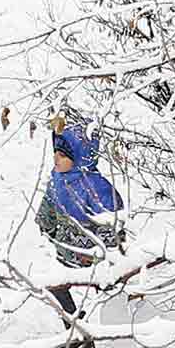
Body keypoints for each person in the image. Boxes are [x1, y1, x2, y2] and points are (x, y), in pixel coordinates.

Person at [39, 123, 127, 323]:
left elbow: (112, 224)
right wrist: (49, 229)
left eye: (62, 155)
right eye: (55, 154)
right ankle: (75, 325)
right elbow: (48, 209)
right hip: (67, 252)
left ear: (79, 156)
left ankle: (119, 322)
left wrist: (105, 251)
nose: (56, 159)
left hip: (94, 257)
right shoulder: (56, 181)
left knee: (108, 287)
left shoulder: (97, 188)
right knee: (56, 287)